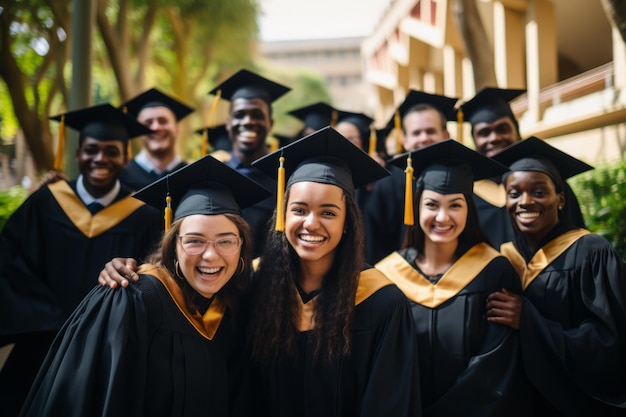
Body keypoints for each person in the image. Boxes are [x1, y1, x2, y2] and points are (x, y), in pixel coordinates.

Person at [19, 154, 270, 417]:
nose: (210, 255)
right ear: (173, 244)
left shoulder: (233, 306)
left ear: (242, 245)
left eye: (226, 241)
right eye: (195, 240)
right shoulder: (132, 297)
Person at [0, 104, 162, 417]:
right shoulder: (47, 201)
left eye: (111, 151)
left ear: (125, 158)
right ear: (78, 155)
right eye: (91, 150)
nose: (100, 158)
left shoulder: (144, 214)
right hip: (42, 342)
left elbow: (156, 276)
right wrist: (46, 318)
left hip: (109, 349)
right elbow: (10, 264)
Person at [246, 126, 421, 416]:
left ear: (348, 222)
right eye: (299, 210)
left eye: (328, 213)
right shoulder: (254, 285)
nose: (311, 224)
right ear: (282, 214)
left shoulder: (382, 303)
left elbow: (388, 403)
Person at [375, 139, 531, 416]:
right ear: (416, 207)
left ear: (469, 208)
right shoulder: (386, 276)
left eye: (455, 205)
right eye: (432, 205)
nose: (443, 217)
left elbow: (496, 363)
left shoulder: (494, 271)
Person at [486, 136, 626, 416]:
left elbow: (610, 343)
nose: (525, 201)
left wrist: (528, 320)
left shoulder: (591, 251)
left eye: (538, 192)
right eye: (514, 194)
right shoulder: (504, 258)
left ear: (560, 199)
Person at [459, 87, 585, 248]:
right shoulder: (466, 194)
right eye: (484, 133)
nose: (494, 138)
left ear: (517, 132)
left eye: (502, 129)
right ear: (475, 141)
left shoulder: (551, 185)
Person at [362, 90, 458, 264]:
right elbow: (373, 240)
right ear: (404, 139)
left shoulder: (461, 176)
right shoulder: (387, 181)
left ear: (446, 135)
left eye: (430, 131)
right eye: (416, 133)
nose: (424, 138)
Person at [208, 69, 291, 257]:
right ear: (228, 123)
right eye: (239, 114)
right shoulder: (213, 174)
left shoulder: (286, 176)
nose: (248, 121)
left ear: (270, 123)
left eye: (257, 115)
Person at [118, 87, 194, 190]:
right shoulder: (121, 176)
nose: (155, 127)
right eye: (148, 123)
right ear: (139, 131)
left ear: (177, 129)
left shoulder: (193, 174)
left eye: (163, 121)